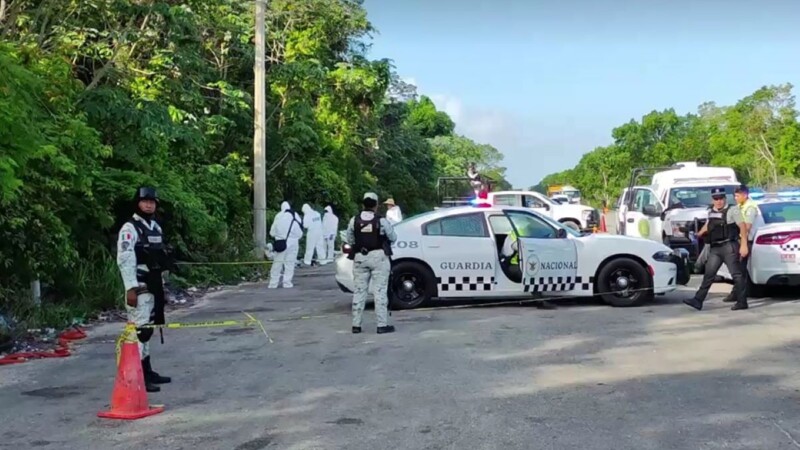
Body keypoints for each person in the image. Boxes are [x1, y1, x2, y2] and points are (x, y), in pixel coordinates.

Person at [116, 187, 173, 393]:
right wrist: (130, 287)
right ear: (137, 203)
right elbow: (125, 259)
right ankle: (136, 376)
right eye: (145, 201)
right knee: (139, 331)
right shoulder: (130, 229)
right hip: (139, 286)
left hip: (155, 285)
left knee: (148, 330)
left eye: (152, 201)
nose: (149, 205)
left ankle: (147, 371)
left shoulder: (155, 227)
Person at [684, 187, 748, 311]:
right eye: (716, 199)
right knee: (709, 274)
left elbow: (743, 227)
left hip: (729, 246)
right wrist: (699, 233)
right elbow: (709, 225)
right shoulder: (711, 211)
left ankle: (742, 301)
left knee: (737, 275)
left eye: (721, 198)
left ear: (725, 198)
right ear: (712, 199)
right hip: (716, 248)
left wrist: (744, 245)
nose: (718, 201)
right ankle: (698, 300)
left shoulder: (733, 210)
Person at [346, 192, 397, 334]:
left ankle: (356, 325)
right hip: (379, 257)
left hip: (360, 258)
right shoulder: (381, 220)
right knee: (380, 291)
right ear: (376, 205)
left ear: (363, 204)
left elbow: (350, 239)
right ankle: (381, 325)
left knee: (359, 291)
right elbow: (393, 237)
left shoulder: (353, 220)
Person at [501, 225, 557, 310]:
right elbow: (522, 248)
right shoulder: (516, 236)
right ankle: (540, 301)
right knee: (531, 275)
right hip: (513, 266)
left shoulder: (517, 233)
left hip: (519, 264)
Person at [721, 185, 760, 303]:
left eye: (737, 196)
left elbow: (747, 227)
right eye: (735, 196)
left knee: (741, 270)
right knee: (739, 269)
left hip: (746, 241)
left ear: (745, 195)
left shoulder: (750, 208)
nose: (735, 198)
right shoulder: (741, 206)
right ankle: (736, 293)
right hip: (739, 240)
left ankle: (739, 296)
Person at [268, 201, 303, 288]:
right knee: (290, 263)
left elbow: (272, 232)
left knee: (277, 263)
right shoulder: (295, 215)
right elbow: (300, 232)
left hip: (281, 242)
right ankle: (287, 283)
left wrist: (278, 235)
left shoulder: (278, 216)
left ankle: (273, 283)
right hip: (294, 242)